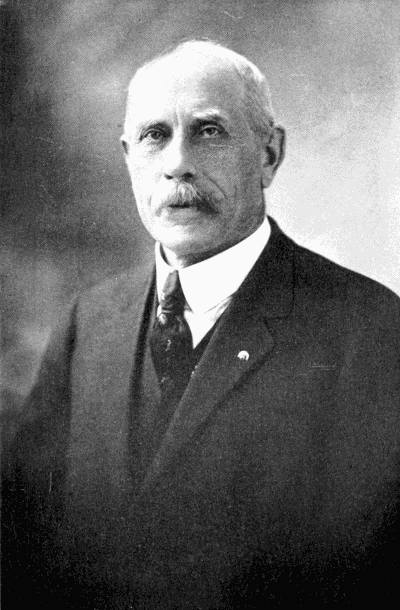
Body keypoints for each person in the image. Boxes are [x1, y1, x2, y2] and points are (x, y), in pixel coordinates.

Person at [2, 40, 400, 609]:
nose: (177, 163)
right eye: (154, 135)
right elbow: (23, 551)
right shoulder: (88, 324)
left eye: (209, 131)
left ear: (269, 154)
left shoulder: (370, 331)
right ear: (128, 157)